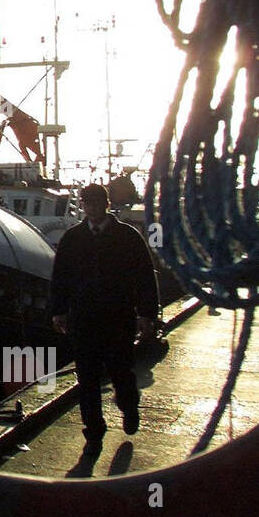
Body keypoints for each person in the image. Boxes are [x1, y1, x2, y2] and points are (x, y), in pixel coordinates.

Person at [51, 183, 160, 449]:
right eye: (87, 204)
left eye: (96, 204)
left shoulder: (128, 237)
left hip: (118, 318)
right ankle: (94, 429)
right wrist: (58, 311)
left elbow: (145, 276)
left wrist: (147, 314)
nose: (91, 209)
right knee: (87, 378)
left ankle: (129, 406)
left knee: (121, 371)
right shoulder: (72, 238)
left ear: (106, 205)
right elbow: (60, 277)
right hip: (83, 318)